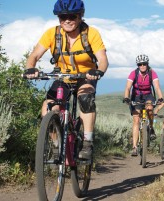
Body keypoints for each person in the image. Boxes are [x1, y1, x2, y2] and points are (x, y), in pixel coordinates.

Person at [23, 0, 109, 160]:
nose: (67, 20)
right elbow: (34, 56)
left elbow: (103, 59)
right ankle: (56, 145)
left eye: (72, 16)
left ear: (80, 16)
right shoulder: (52, 33)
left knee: (85, 98)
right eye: (63, 17)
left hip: (86, 77)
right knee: (48, 108)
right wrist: (30, 68)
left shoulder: (91, 33)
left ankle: (87, 143)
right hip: (62, 77)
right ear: (58, 18)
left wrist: (97, 71)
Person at [123, 54, 164, 156]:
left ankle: (150, 127)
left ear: (147, 64)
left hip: (148, 95)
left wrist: (160, 98)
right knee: (136, 120)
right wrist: (126, 98)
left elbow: (157, 87)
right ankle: (134, 147)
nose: (142, 66)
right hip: (136, 96)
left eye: (144, 64)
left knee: (150, 109)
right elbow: (128, 87)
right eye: (140, 64)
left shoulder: (152, 73)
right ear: (138, 65)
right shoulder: (133, 73)